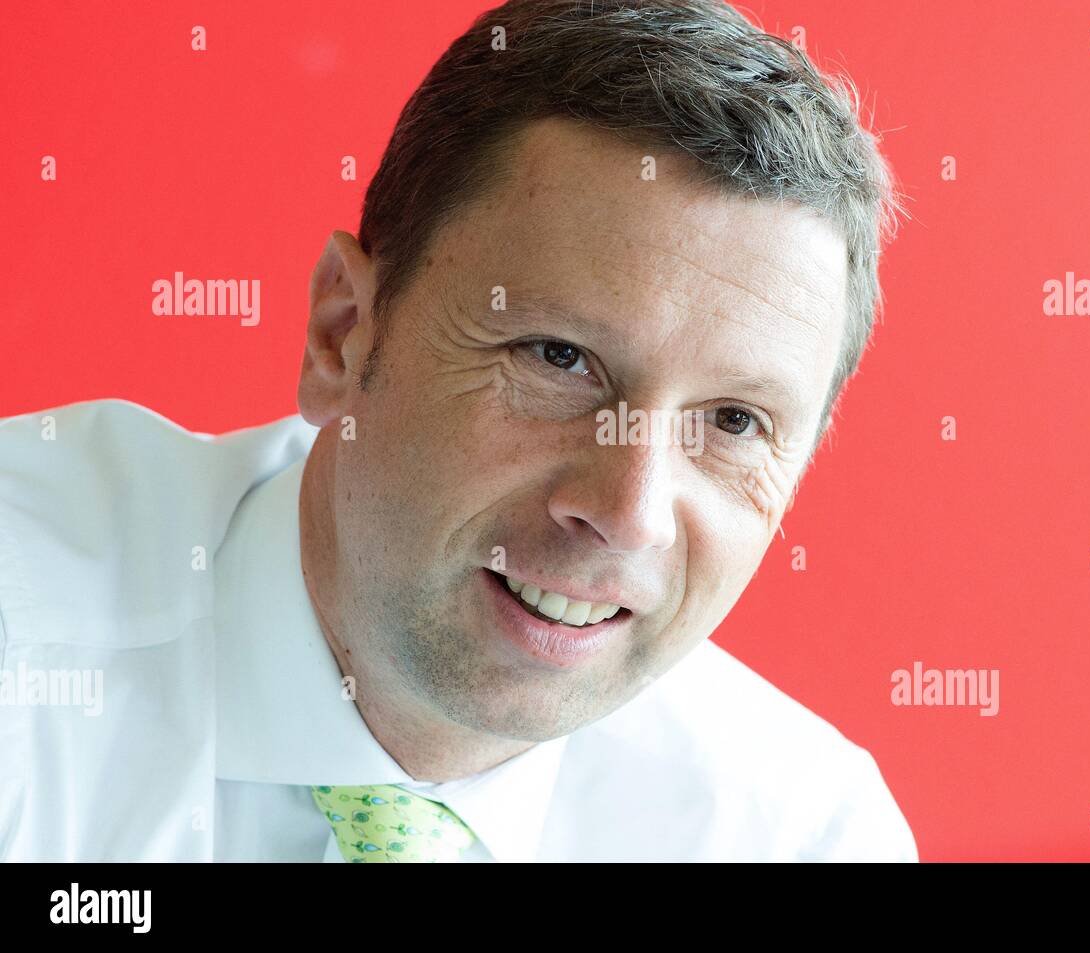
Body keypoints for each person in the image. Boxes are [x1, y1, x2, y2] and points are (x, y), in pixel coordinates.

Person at [0, 0, 916, 861]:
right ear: (344, 334)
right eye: (558, 357)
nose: (629, 514)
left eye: (732, 421)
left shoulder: (799, 835)